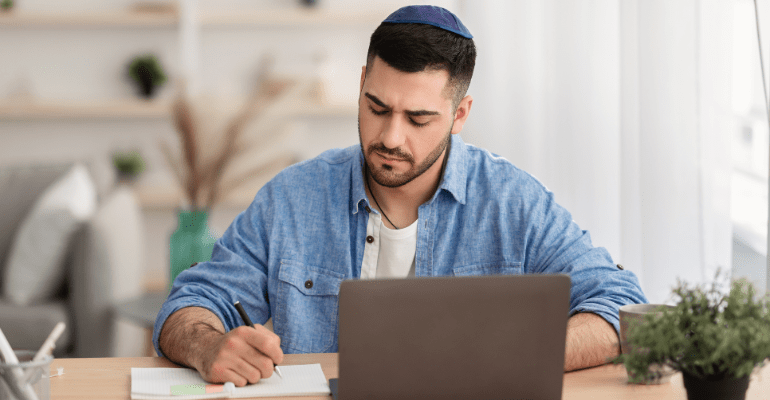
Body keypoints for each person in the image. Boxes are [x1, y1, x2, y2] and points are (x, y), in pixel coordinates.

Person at [154, 5, 648, 386]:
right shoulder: (291, 198)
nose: (390, 136)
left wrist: (509, 353)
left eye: (418, 119)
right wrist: (209, 347)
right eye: (377, 107)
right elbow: (192, 301)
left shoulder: (512, 201)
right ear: (362, 83)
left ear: (459, 114)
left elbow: (620, 306)